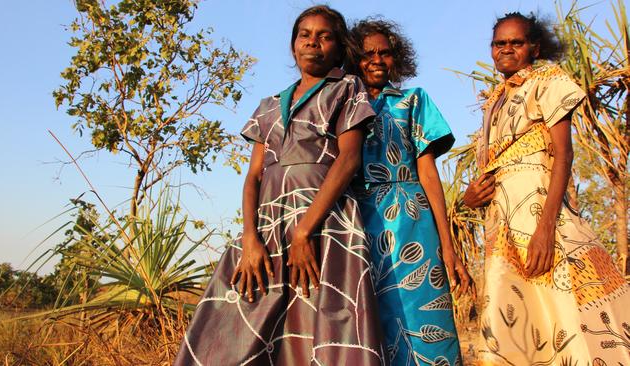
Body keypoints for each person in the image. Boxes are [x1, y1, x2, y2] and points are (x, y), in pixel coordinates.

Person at [174, 5, 387, 366]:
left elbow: (349, 159)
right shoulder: (268, 106)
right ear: (293, 46)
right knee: (239, 318)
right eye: (305, 35)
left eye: (325, 36)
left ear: (338, 48)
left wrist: (304, 233)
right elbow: (254, 176)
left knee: (325, 314)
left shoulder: (346, 88)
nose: (313, 42)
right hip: (270, 222)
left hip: (325, 221)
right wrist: (249, 238)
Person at [464, 12, 630, 364]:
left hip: (540, 213)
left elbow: (564, 155)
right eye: (499, 43)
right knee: (521, 318)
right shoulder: (494, 100)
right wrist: (471, 197)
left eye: (516, 42)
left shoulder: (548, 80)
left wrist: (546, 227)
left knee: (566, 306)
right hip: (503, 223)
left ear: (534, 48)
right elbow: (493, 166)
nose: (506, 49)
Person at [348, 19, 472, 366]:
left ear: (396, 59)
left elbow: (428, 173)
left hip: (412, 220)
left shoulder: (412, 101)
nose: (376, 60)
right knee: (368, 322)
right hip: (357, 223)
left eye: (385, 53)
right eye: (367, 53)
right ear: (353, 58)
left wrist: (448, 246)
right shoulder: (340, 105)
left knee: (423, 313)